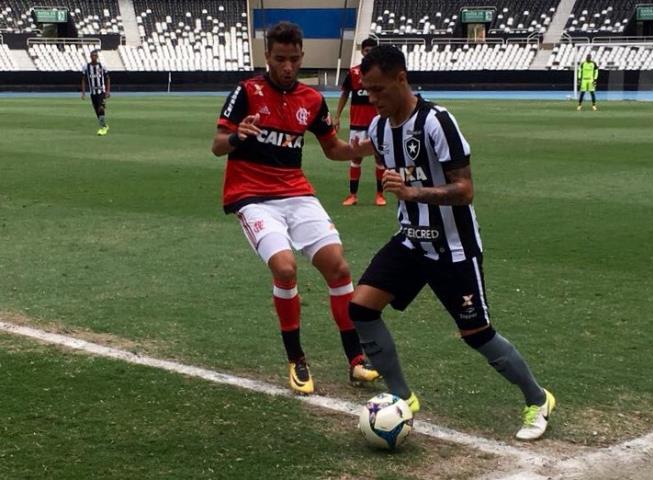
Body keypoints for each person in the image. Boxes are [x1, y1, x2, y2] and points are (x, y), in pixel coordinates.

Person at [347, 45, 556, 441]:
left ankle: (537, 398)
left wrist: (414, 193)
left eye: (378, 90)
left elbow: (465, 190)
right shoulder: (379, 127)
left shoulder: (436, 122)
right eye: (366, 92)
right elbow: (348, 150)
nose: (372, 100)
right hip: (410, 241)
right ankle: (402, 397)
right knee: (361, 308)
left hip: (452, 247)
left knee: (477, 334)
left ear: (401, 79)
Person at [210, 22, 379, 395]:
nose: (287, 66)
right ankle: (296, 358)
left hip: (297, 194)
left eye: (293, 59)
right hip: (252, 196)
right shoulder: (246, 92)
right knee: (285, 269)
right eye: (279, 59)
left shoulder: (311, 99)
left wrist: (368, 147)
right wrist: (239, 135)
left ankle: (356, 360)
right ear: (267, 57)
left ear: (302, 57)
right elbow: (218, 145)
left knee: (338, 267)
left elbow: (334, 149)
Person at [334, 37, 386, 207]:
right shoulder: (354, 72)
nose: (369, 53)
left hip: (377, 123)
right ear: (362, 52)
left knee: (379, 159)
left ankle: (379, 195)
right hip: (357, 123)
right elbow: (344, 94)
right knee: (356, 157)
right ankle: (353, 195)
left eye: (372, 50)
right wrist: (337, 116)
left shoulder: (382, 73)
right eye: (366, 50)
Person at [81, 50, 111, 136]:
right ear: (90, 57)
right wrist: (83, 92)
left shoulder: (102, 66)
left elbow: (108, 78)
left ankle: (103, 128)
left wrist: (108, 91)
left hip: (101, 91)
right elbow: (83, 79)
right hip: (92, 92)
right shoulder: (86, 67)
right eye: (92, 56)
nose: (94, 57)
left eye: (95, 56)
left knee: (101, 108)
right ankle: (104, 125)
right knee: (97, 111)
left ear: (97, 57)